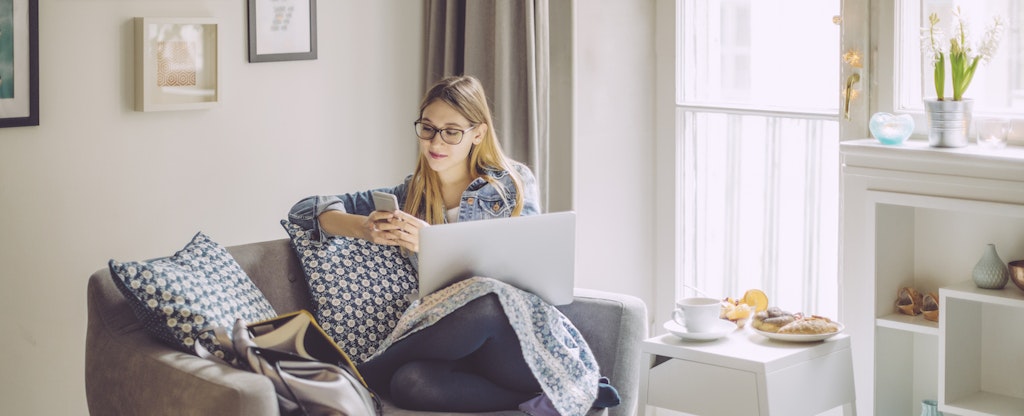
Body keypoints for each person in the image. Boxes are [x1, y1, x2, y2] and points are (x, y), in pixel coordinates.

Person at [288, 75, 614, 414]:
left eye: (451, 131)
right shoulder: (410, 195)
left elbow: (520, 285)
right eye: (427, 128)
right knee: (408, 383)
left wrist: (432, 243)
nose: (435, 142)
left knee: (486, 300)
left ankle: (356, 376)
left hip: (516, 343)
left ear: (477, 134)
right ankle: (554, 400)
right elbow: (305, 211)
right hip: (455, 351)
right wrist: (365, 227)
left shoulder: (512, 186)